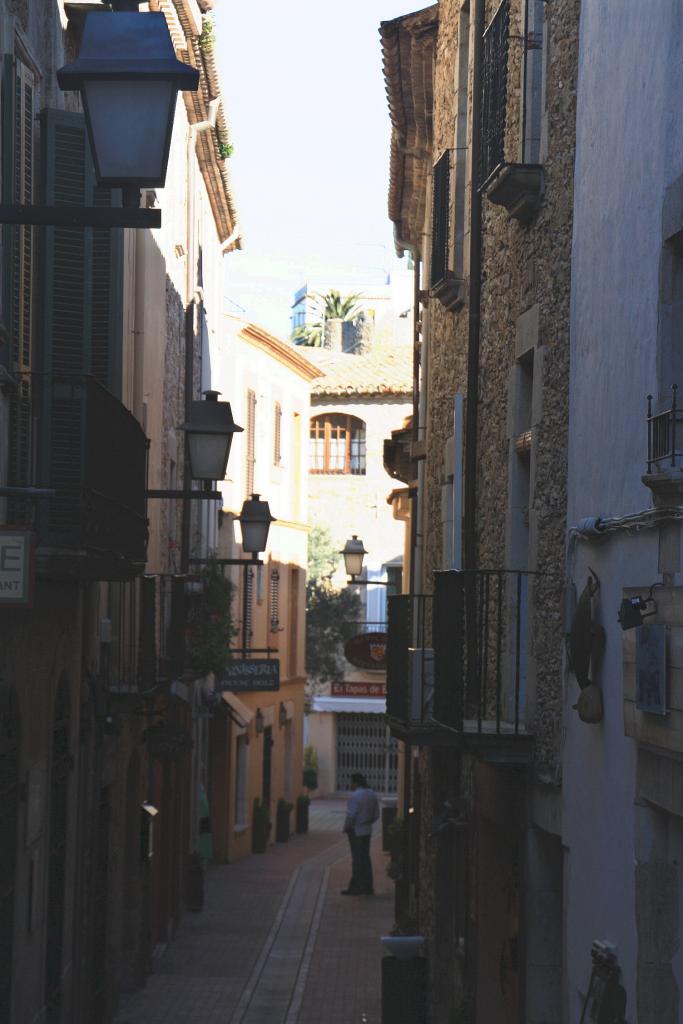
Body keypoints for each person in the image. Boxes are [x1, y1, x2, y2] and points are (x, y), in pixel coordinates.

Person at [341, 772, 379, 895]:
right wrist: (368, 822)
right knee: (366, 858)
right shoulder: (372, 794)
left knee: (357, 859)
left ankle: (356, 886)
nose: (350, 785)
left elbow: (351, 815)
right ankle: (368, 886)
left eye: (351, 782)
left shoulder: (355, 796)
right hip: (367, 830)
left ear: (356, 783)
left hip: (356, 831)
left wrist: (346, 827)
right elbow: (376, 815)